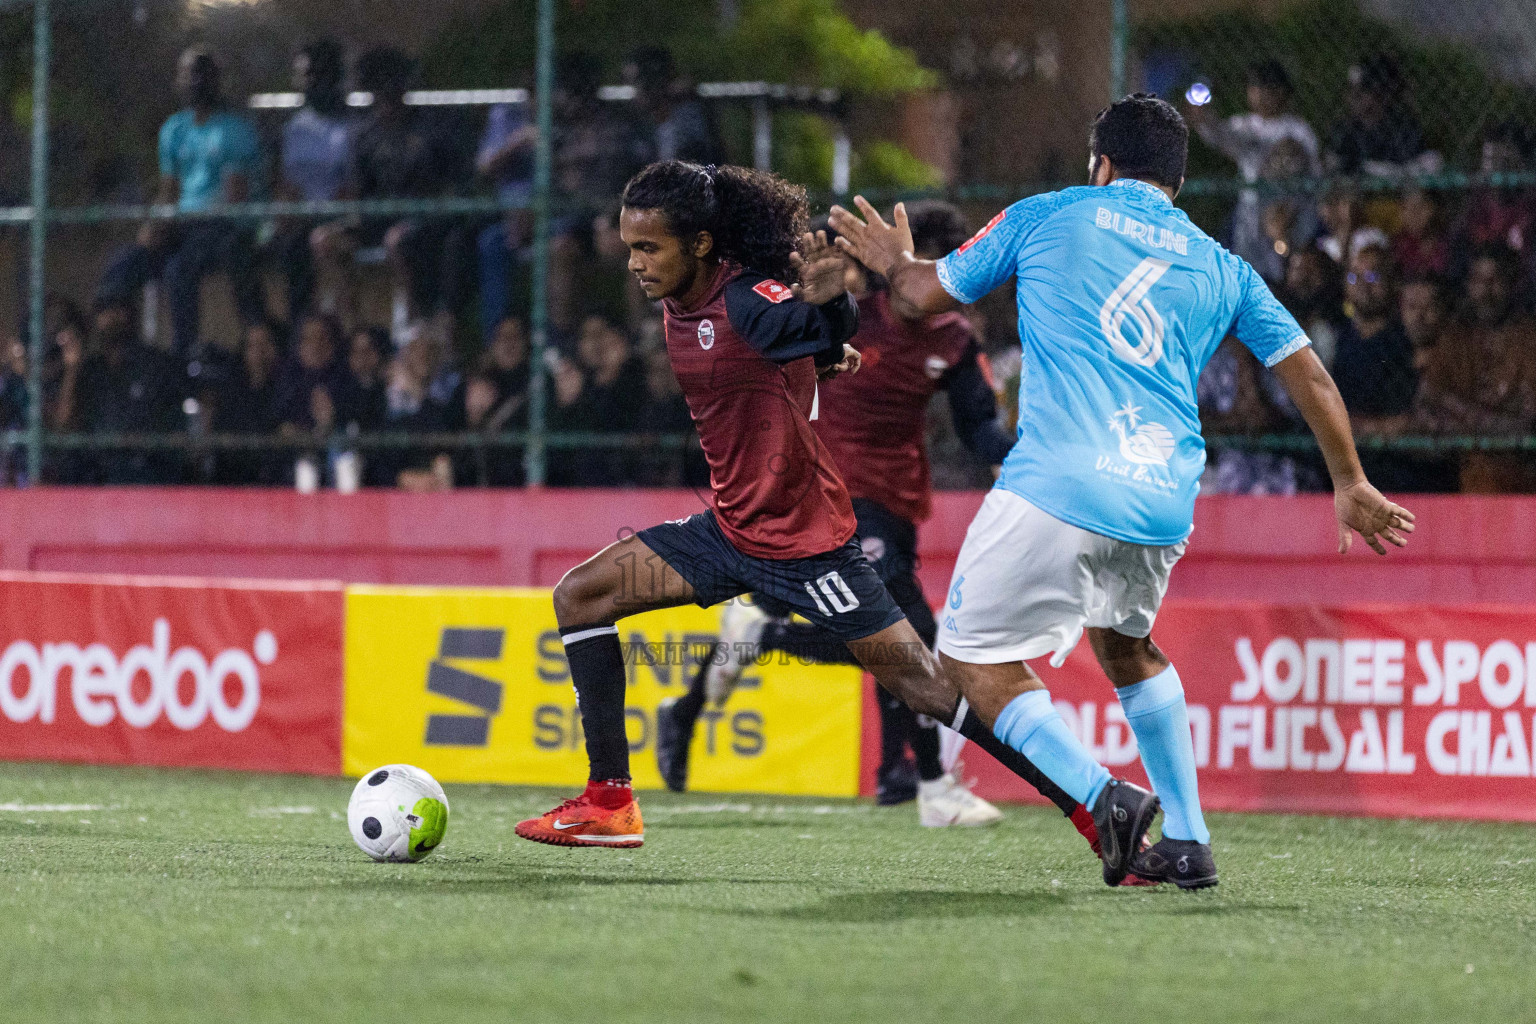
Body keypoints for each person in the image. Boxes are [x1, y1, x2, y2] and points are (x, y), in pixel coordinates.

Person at [515, 161, 1159, 886]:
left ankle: (1096, 802)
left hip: (805, 546)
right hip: (729, 530)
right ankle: (610, 802)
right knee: (582, 595)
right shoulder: (684, 297)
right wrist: (826, 348)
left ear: (699, 244)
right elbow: (803, 350)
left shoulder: (747, 298)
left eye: (649, 248)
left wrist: (829, 316)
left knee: (928, 688)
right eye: (630, 248)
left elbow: (799, 326)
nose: (635, 264)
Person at [830, 92, 1415, 889]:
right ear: (1176, 180)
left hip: (1056, 486)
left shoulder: (1051, 212)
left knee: (970, 665)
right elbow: (1307, 371)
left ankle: (1104, 798)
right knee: (1127, 646)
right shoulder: (1221, 264)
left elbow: (923, 299)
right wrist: (1349, 480)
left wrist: (896, 264)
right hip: (1161, 497)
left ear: (1099, 162)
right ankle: (1192, 839)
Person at [654, 202, 1022, 829]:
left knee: (883, 634)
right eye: (935, 265)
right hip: (824, 493)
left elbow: (979, 430)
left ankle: (705, 705)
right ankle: (931, 785)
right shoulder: (847, 316)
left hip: (895, 501)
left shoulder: (955, 340)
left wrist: (1025, 463)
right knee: (908, 633)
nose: (943, 282)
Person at [95, 48, 265, 355]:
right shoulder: (174, 129)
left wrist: (186, 221)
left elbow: (235, 199)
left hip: (223, 228)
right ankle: (119, 350)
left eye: (200, 74)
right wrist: (156, 224)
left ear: (215, 80)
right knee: (125, 263)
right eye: (186, 74)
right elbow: (169, 190)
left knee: (178, 269)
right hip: (183, 229)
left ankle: (183, 352)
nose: (193, 81)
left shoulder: (234, 130)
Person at [1414, 246, 1536, 492]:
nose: (1486, 291)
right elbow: (1426, 406)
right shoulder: (1455, 338)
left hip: (1522, 482)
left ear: (1512, 284)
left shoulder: (1528, 338)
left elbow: (1526, 423)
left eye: (1495, 280)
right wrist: (1491, 423)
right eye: (1479, 280)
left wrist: (1457, 413)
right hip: (1463, 479)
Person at [1184, 60, 1318, 278]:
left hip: (1289, 210)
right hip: (1251, 213)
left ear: (1282, 92)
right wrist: (1202, 117)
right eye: (1255, 87)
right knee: (1248, 268)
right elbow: (1219, 134)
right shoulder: (1245, 125)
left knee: (1282, 268)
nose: (1259, 94)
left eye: (1266, 88)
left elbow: (1313, 175)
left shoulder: (1298, 129)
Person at [268, 38, 356, 323]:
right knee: (288, 244)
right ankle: (297, 331)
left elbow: (355, 186)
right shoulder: (294, 128)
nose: (304, 83)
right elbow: (286, 183)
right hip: (300, 221)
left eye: (311, 76)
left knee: (323, 244)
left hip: (342, 219)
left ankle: (342, 329)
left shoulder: (353, 126)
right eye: (302, 76)